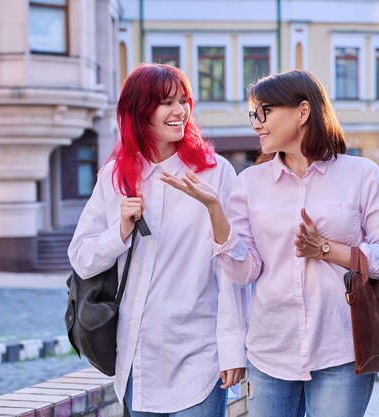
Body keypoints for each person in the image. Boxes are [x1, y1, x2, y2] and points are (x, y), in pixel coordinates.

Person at [161, 70, 379, 417]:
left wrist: (326, 249)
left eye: (264, 112)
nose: (256, 124)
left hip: (342, 348)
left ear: (303, 112)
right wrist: (214, 209)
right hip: (270, 353)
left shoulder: (361, 175)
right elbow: (243, 272)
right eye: (252, 115)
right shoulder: (249, 184)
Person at [67, 63, 247, 417]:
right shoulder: (115, 176)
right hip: (139, 358)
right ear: (139, 111)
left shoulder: (214, 172)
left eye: (184, 100)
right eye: (166, 102)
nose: (180, 111)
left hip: (200, 354)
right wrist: (120, 230)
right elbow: (82, 258)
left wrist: (232, 350)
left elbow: (230, 269)